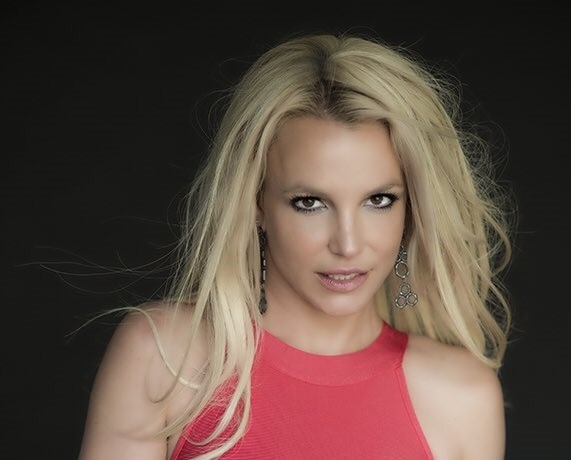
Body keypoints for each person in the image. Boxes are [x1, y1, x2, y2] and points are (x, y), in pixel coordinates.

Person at [77, 31, 515, 460]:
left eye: (379, 200)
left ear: (412, 208)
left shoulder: (461, 398)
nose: (348, 244)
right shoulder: (168, 359)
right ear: (256, 203)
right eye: (310, 203)